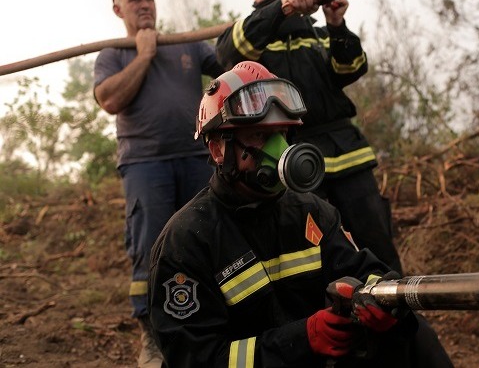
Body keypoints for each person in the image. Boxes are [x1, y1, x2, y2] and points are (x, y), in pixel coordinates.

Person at [148, 61, 453, 367]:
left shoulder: (311, 212)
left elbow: (364, 271)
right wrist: (300, 340)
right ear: (217, 149)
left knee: (414, 334)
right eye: (259, 136)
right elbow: (195, 358)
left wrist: (385, 303)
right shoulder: (186, 241)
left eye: (282, 134)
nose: (279, 150)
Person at [215, 0, 403, 274]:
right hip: (292, 160)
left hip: (347, 154)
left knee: (376, 239)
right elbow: (228, 52)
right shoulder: (251, 38)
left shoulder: (319, 35)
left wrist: (336, 24)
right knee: (313, 249)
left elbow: (352, 68)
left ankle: (397, 307)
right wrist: (284, 6)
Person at [93, 0, 225, 367]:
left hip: (196, 157)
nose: (145, 4)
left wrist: (253, 28)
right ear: (119, 9)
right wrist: (144, 55)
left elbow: (232, 65)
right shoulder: (112, 54)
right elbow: (110, 99)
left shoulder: (186, 44)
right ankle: (152, 335)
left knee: (207, 237)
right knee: (149, 247)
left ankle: (209, 323)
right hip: (144, 164)